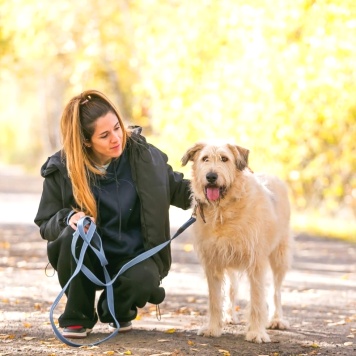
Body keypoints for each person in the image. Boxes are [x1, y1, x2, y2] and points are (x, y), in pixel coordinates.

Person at [34, 89, 191, 339]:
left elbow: (177, 189)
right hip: (89, 259)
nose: (116, 138)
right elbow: (45, 222)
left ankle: (115, 309)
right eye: (105, 135)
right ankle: (78, 315)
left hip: (133, 256)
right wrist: (68, 218)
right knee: (67, 237)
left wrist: (216, 189)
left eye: (117, 127)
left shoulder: (143, 156)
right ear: (86, 141)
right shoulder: (62, 167)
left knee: (145, 277)